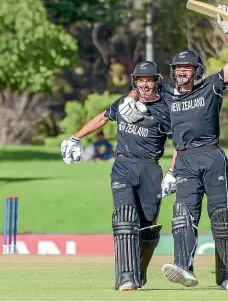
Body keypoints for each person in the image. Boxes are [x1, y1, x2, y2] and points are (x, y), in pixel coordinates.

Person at [118, 5, 228, 291]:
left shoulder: (211, 87)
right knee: (182, 216)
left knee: (222, 217)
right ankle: (184, 268)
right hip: (185, 162)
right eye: (177, 69)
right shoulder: (168, 98)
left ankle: (227, 277)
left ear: (197, 71)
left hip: (212, 157)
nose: (182, 73)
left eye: (187, 68)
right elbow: (142, 84)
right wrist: (172, 171)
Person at [60, 61, 176, 291]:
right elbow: (102, 117)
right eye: (140, 80)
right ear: (135, 81)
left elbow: (180, 144)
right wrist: (75, 137)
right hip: (123, 166)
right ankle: (126, 278)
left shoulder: (166, 110)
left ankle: (139, 272)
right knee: (125, 217)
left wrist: (173, 172)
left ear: (156, 81)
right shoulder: (124, 103)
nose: (144, 84)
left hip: (151, 169)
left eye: (148, 80)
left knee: (147, 227)